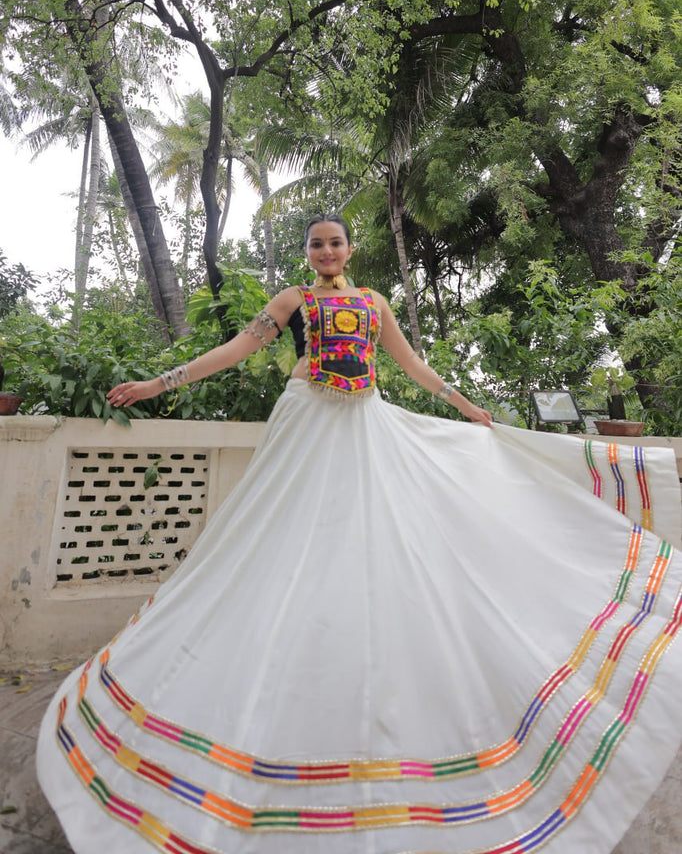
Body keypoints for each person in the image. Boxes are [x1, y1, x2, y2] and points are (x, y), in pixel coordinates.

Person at [37, 215, 682, 854]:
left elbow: (412, 367)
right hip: (306, 428)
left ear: (350, 248)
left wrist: (468, 408)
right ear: (307, 252)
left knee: (375, 549)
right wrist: (160, 382)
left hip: (366, 431)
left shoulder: (374, 304)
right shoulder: (291, 302)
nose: (325, 251)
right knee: (278, 549)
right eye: (316, 244)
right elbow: (236, 349)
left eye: (335, 242)